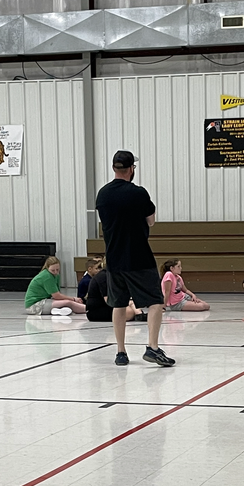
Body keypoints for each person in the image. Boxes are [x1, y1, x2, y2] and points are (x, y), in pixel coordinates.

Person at [95, 149, 174, 367]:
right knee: (156, 302)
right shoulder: (138, 193)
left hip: (113, 258)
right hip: (138, 257)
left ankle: (121, 352)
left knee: (118, 305)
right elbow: (151, 221)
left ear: (113, 168)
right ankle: (153, 348)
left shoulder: (102, 194)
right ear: (132, 169)